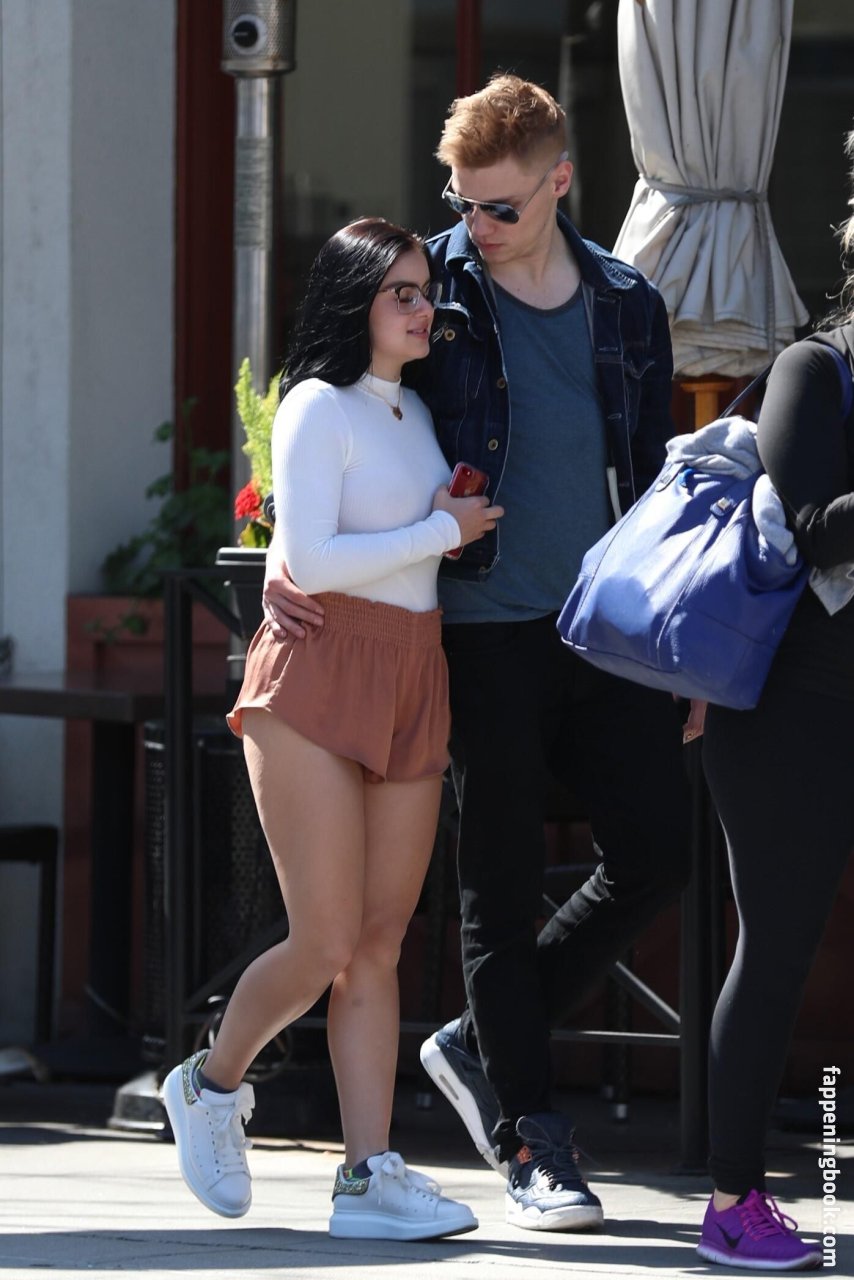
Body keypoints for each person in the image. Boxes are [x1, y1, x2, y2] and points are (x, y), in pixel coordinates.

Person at [263, 74, 691, 1233]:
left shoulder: (626, 303)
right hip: (474, 628)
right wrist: (284, 544)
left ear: (559, 181)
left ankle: (475, 1042)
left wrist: (678, 641)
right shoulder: (431, 288)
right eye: (460, 200)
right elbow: (329, 398)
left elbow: (651, 479)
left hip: (603, 625)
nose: (475, 225)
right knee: (492, 885)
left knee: (657, 845)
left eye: (499, 205)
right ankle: (530, 1135)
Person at [161, 217, 503, 1241]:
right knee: (322, 937)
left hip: (411, 669)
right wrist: (441, 529)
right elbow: (307, 557)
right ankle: (209, 1083)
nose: (423, 308)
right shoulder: (315, 402)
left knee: (377, 942)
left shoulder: (418, 408)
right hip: (317, 671)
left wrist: (437, 523)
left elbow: (348, 544)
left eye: (424, 291)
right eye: (401, 292)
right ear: (355, 300)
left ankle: (367, 1174)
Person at [693, 134, 854, 1272]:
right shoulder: (812, 368)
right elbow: (815, 533)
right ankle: (730, 1199)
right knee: (780, 946)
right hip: (792, 711)